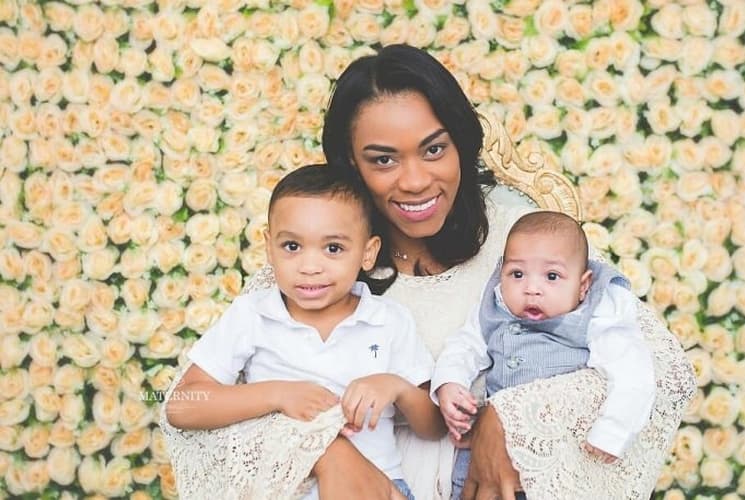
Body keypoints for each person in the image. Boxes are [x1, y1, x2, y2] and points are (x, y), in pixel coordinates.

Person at [161, 43, 694, 500]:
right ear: (350, 165)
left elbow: (661, 369)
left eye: (434, 149)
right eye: (383, 159)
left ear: (461, 142)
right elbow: (194, 409)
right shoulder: (320, 257)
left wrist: (508, 417)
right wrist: (321, 453)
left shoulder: (523, 235)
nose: (415, 181)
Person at [166, 165, 446, 500]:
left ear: (367, 253)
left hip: (376, 486)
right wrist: (278, 395)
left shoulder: (388, 320)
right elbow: (182, 405)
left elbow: (434, 426)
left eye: (333, 249)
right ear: (269, 247)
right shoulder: (253, 315)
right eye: (292, 246)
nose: (310, 267)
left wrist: (396, 387)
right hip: (282, 488)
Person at [432, 211, 656, 500]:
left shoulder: (595, 316)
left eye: (552, 276)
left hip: (556, 451)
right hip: (486, 450)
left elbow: (633, 372)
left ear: (583, 286)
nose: (532, 289)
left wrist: (613, 431)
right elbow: (465, 344)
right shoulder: (496, 307)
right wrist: (450, 382)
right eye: (517, 274)